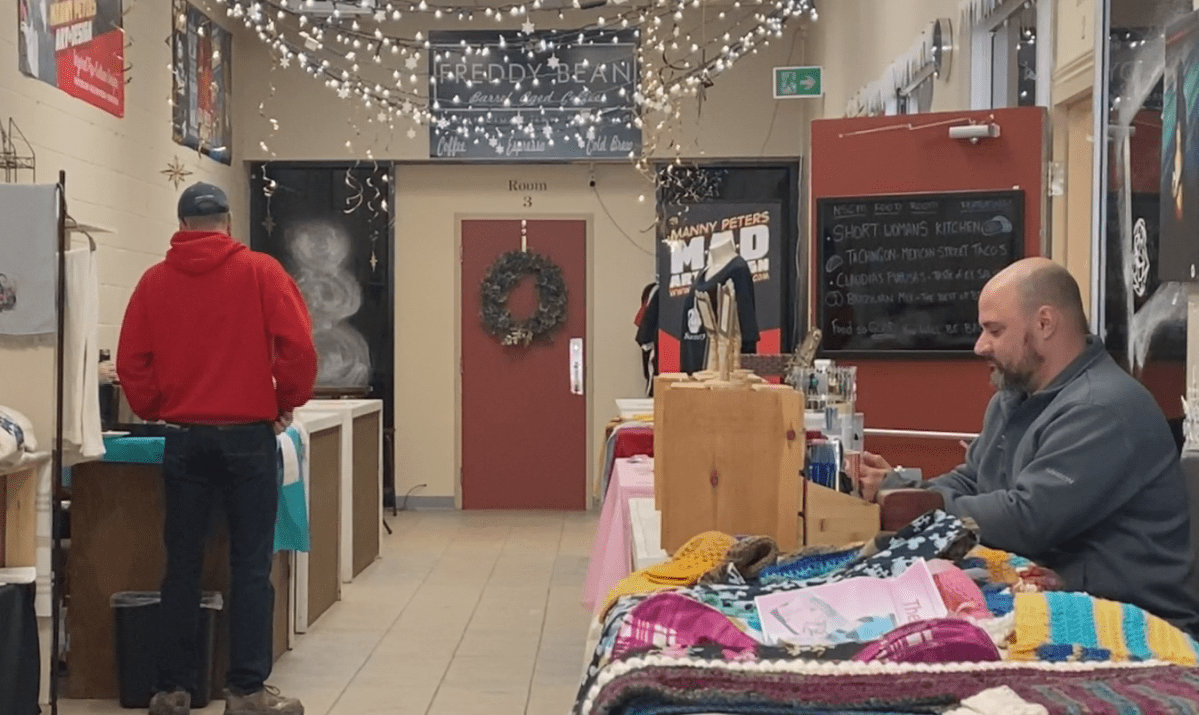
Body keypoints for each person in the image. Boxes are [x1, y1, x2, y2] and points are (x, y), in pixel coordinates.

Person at [859, 257, 1199, 635]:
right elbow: (972, 481)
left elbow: (1029, 520)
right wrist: (906, 492)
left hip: (1135, 619)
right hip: (1053, 595)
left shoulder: (1102, 408)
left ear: (1044, 323)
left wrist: (925, 509)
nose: (980, 346)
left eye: (994, 330)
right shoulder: (1013, 398)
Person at [117, 182, 317, 715]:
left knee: (181, 564)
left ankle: (173, 690)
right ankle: (246, 691)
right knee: (250, 565)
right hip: (249, 439)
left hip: (184, 439)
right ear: (227, 223)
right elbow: (298, 346)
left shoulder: (153, 282)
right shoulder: (261, 272)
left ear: (181, 226)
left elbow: (131, 360)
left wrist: (157, 403)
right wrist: (286, 401)